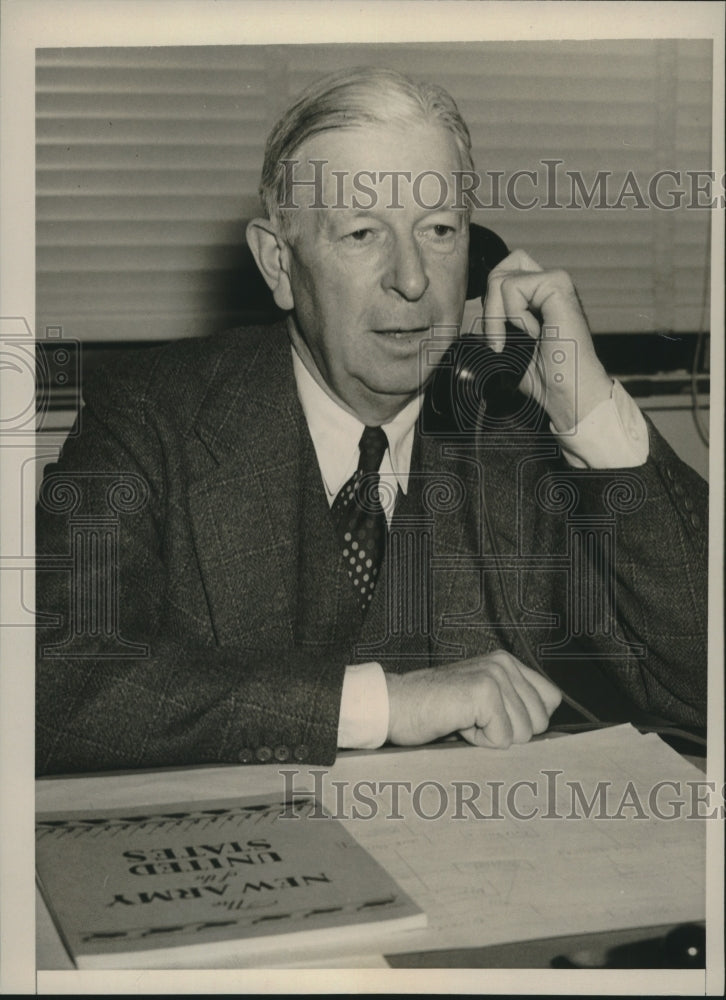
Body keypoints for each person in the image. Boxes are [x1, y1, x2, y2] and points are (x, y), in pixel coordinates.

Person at [35, 67, 708, 775]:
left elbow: (702, 681)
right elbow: (45, 680)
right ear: (279, 264)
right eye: (362, 233)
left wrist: (592, 418)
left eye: (440, 231)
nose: (413, 279)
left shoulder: (522, 435)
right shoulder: (151, 415)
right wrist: (383, 705)